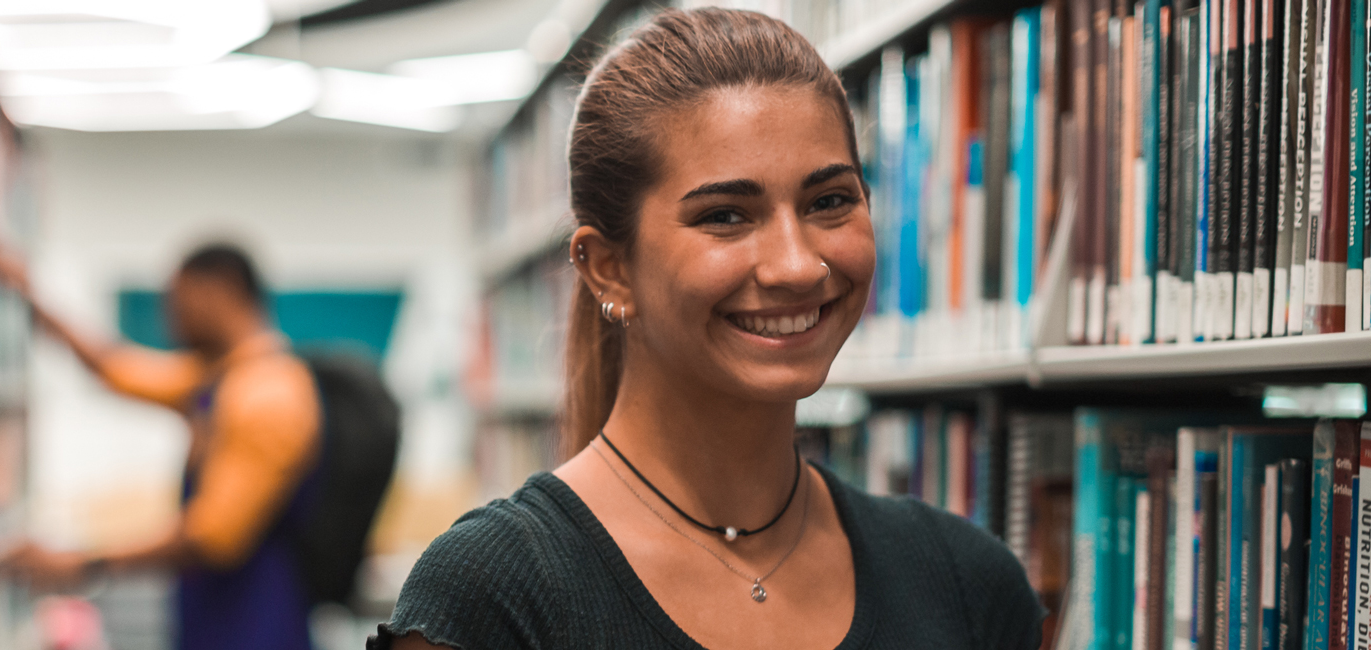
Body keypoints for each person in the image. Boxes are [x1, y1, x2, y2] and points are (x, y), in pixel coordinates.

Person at [374, 8, 1043, 650]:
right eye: (726, 215)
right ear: (608, 268)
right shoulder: (488, 597)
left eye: (830, 201)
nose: (797, 266)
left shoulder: (967, 582)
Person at [0, 243, 324, 650]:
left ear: (221, 290)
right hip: (215, 616)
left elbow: (211, 538)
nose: (171, 317)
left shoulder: (268, 395)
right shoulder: (221, 377)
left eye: (179, 300)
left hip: (256, 625)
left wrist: (83, 564)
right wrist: (31, 299)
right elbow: (113, 367)